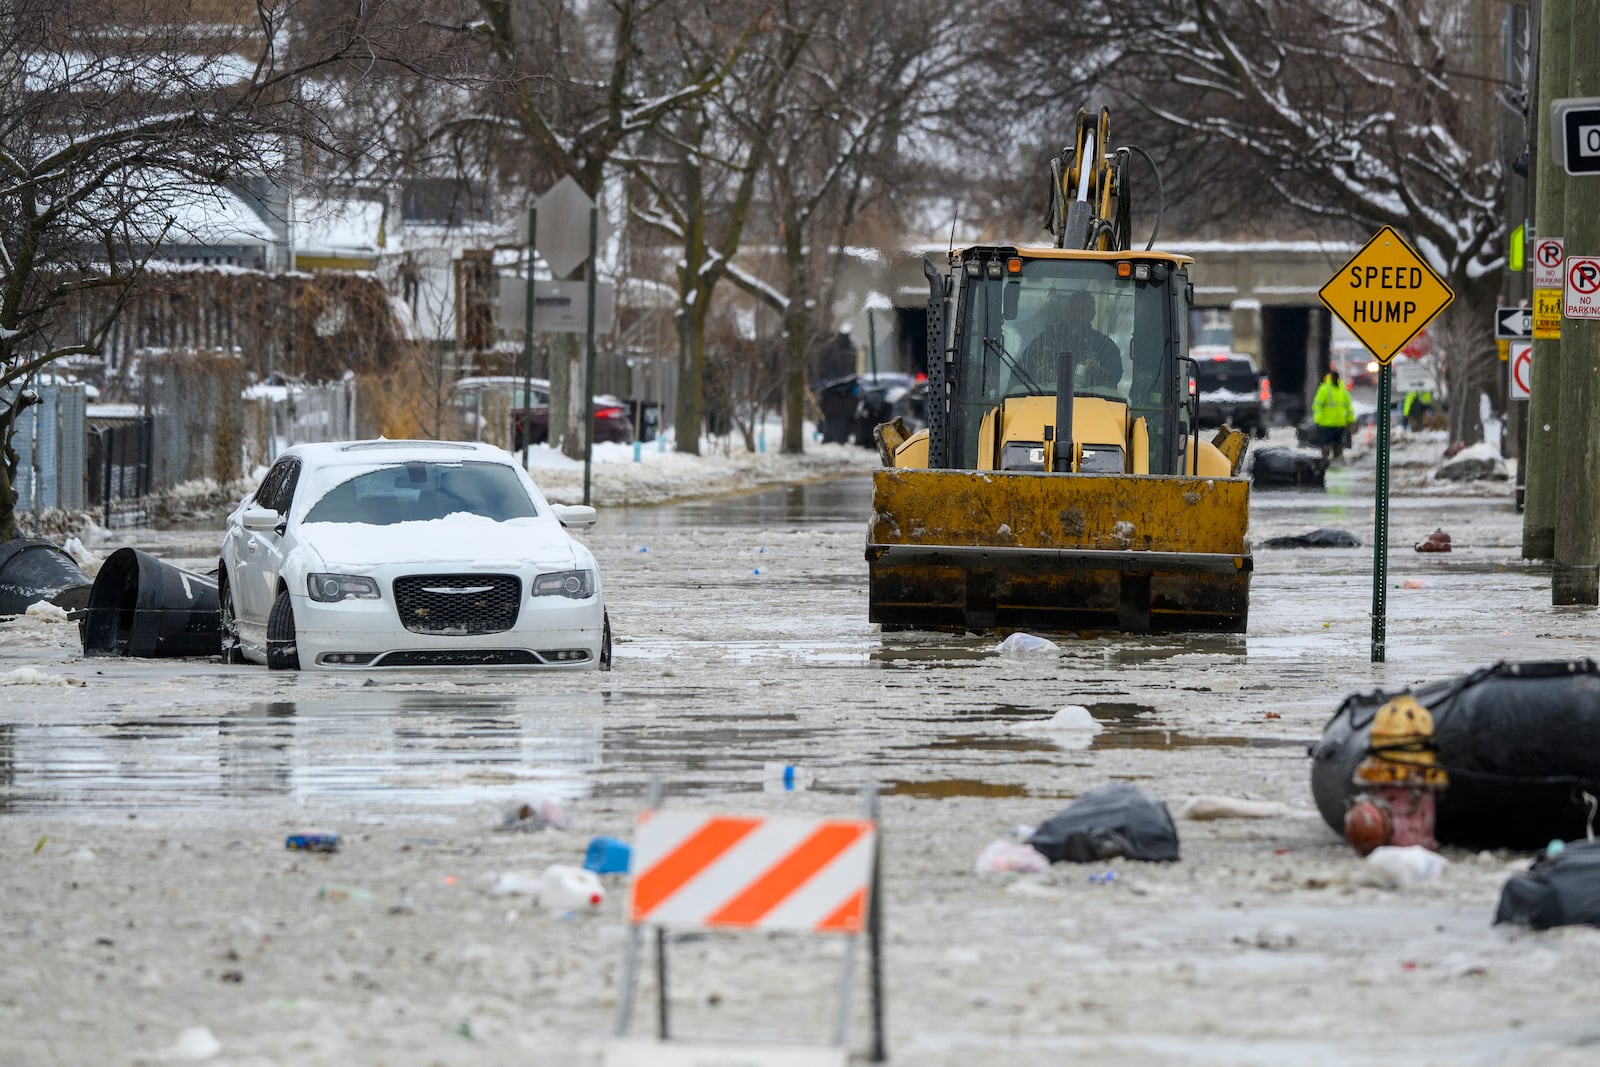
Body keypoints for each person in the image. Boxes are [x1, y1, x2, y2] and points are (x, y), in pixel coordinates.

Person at [1020, 289, 1123, 393]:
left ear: (1092, 315)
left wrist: (1099, 371)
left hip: (1092, 403)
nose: (1076, 316)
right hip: (1042, 401)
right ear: (1065, 312)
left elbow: (1115, 375)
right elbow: (1020, 371)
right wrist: (1037, 374)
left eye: (1082, 311)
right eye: (1072, 310)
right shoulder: (1045, 339)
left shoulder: (1104, 346)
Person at [1312, 369, 1355, 461]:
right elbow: (1317, 405)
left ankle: (1336, 462)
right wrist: (1318, 419)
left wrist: (1350, 420)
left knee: (1338, 446)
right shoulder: (1324, 389)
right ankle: (1324, 463)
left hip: (1340, 424)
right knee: (1326, 445)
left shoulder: (1343, 390)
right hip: (1327, 424)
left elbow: (1348, 407)